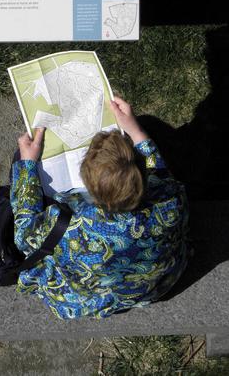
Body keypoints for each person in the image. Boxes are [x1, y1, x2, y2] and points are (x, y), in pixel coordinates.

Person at [10, 96, 189, 319]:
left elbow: (23, 233)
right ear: (141, 174)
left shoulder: (68, 228)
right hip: (156, 284)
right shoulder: (171, 203)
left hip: (85, 298)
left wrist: (27, 165)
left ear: (87, 184)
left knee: (19, 160)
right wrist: (136, 131)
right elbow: (160, 174)